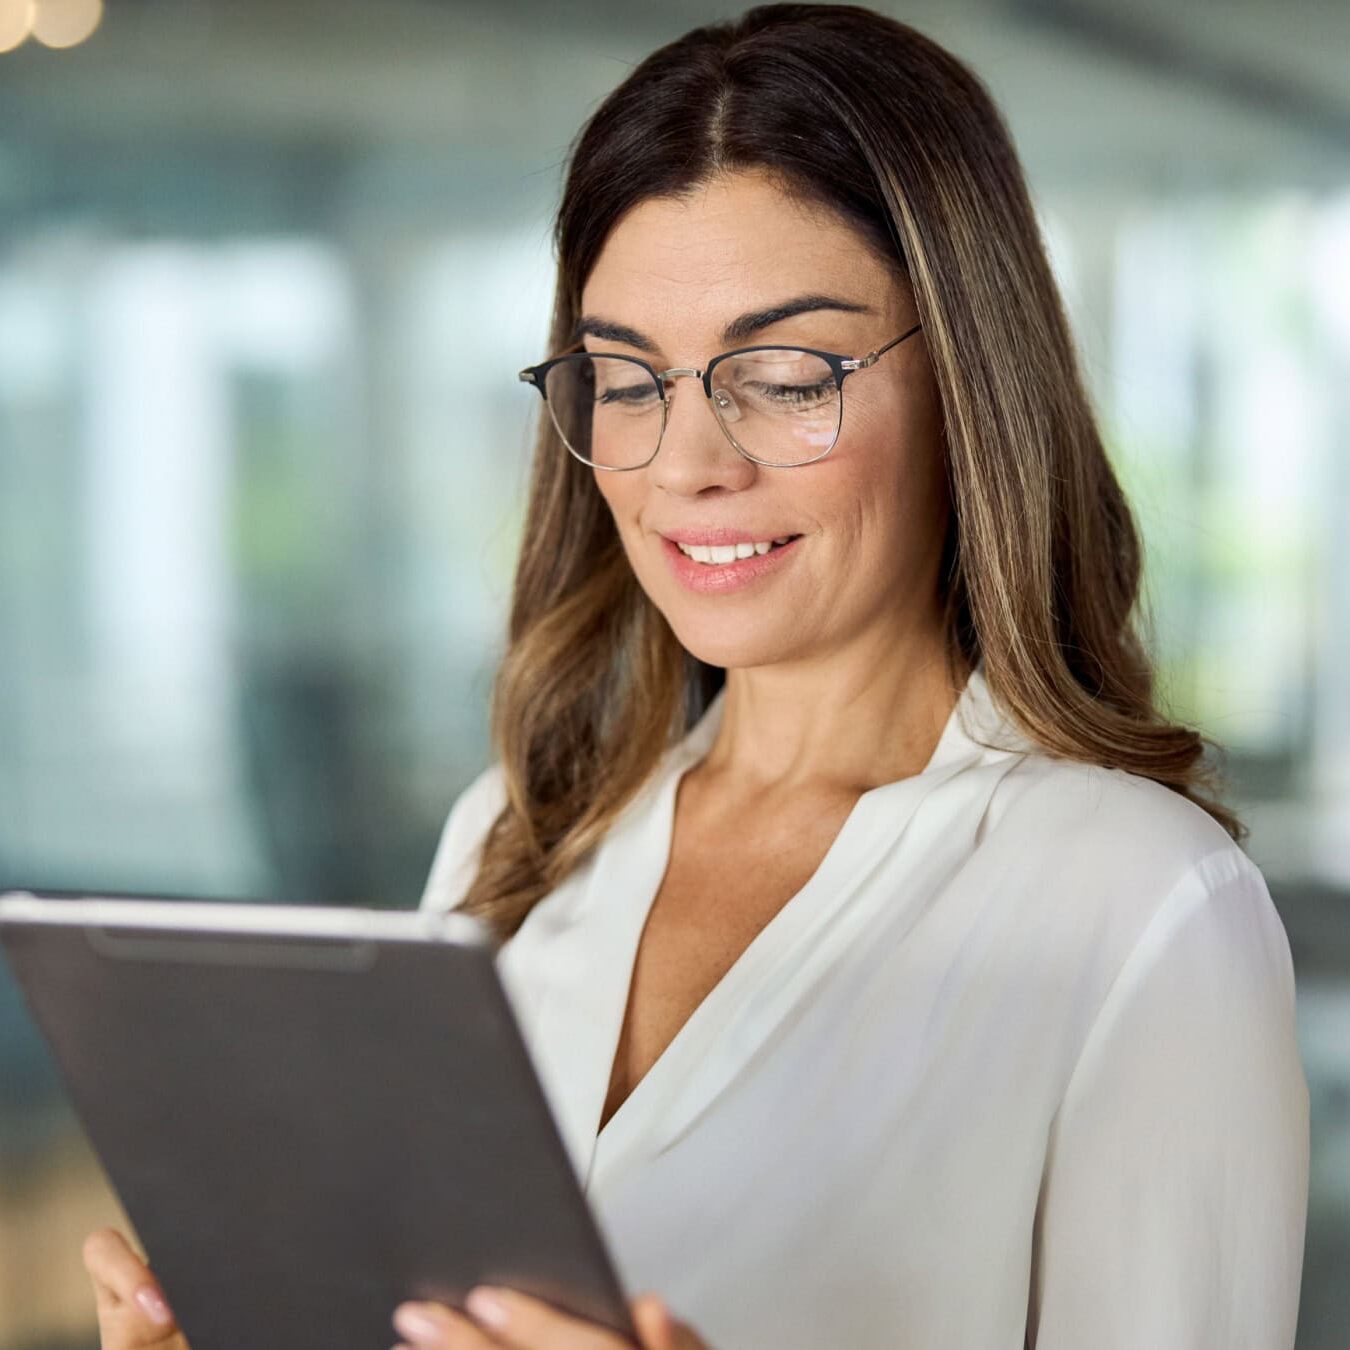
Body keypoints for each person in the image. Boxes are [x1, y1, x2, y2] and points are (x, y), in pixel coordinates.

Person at [81, 4, 1310, 1347]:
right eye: (623, 377)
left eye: (782, 375)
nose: (685, 463)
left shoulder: (1135, 900)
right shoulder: (517, 834)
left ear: (968, 379)